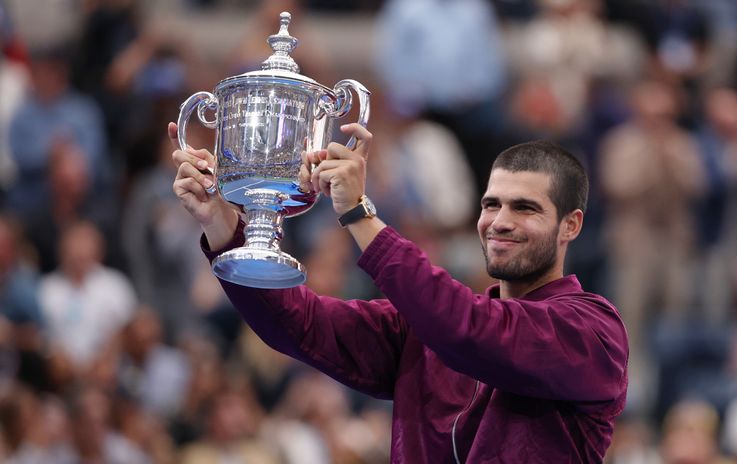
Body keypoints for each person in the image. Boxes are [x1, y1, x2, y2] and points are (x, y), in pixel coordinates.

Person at [170, 122, 629, 462]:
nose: (500, 221)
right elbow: (299, 324)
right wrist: (223, 225)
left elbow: (472, 333)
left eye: (525, 208)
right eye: (491, 204)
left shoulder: (592, 332)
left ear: (571, 225)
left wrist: (359, 215)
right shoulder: (420, 329)